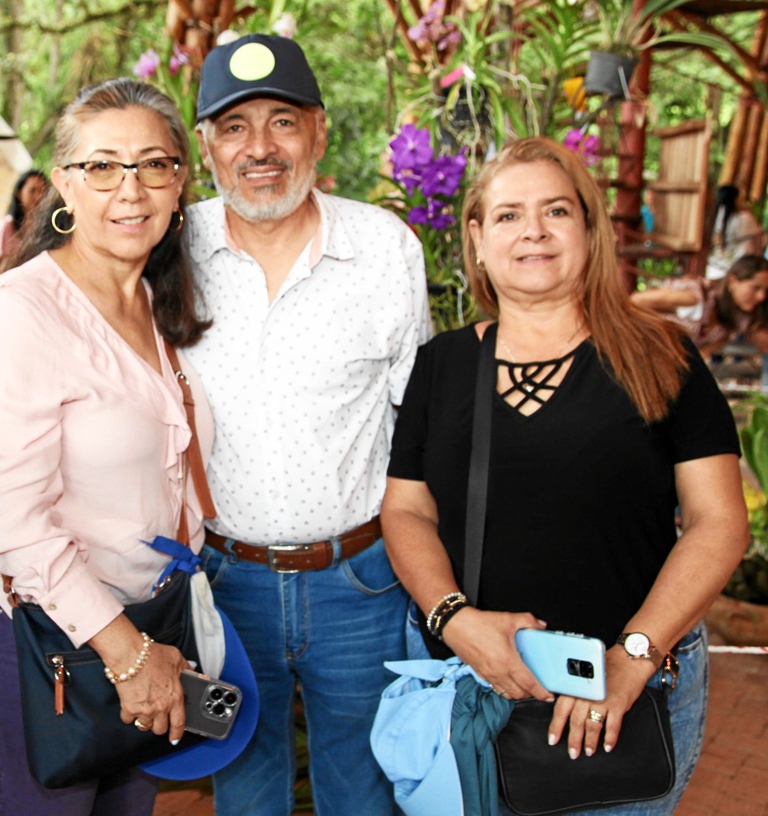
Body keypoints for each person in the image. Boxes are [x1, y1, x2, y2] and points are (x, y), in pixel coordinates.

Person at [382, 137, 747, 814]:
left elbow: (717, 521)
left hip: (625, 689)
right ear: (477, 236)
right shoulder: (443, 365)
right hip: (470, 685)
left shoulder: (658, 353)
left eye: (555, 211)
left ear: (588, 226)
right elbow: (406, 511)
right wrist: (455, 620)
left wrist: (631, 658)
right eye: (508, 215)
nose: (533, 233)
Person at [182, 33, 431, 816]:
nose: (260, 148)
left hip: (361, 583)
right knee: (240, 795)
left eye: (282, 121)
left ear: (319, 132)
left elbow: (416, 426)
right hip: (218, 589)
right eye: (233, 127)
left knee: (365, 796)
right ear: (205, 147)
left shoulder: (385, 247)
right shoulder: (167, 248)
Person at [0, 78, 213, 816]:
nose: (128, 190)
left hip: (147, 628)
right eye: (102, 166)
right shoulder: (22, 315)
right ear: (63, 183)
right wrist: (127, 656)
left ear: (178, 183)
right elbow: (16, 525)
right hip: (47, 637)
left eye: (152, 165)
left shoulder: (155, 301)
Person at [632, 254, 768, 356]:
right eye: (755, 288)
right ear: (732, 281)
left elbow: (699, 358)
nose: (762, 296)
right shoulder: (695, 297)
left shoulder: (730, 326)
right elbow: (635, 301)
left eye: (766, 291)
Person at [0, 167, 47, 274]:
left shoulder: (47, 226)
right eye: (32, 190)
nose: (38, 196)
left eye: (42, 191)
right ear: (19, 192)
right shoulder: (7, 225)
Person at [706, 183, 764, 279]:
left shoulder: (712, 220)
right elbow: (761, 238)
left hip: (714, 269)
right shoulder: (745, 218)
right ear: (736, 199)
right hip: (741, 270)